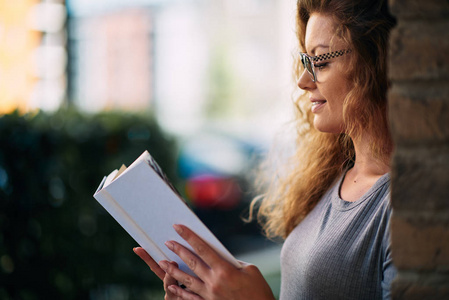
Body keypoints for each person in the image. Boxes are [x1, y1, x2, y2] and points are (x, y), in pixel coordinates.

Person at [134, 0, 397, 298]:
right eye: (305, 61)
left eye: (321, 61)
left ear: (379, 62)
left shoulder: (413, 206)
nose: (303, 81)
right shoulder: (337, 175)